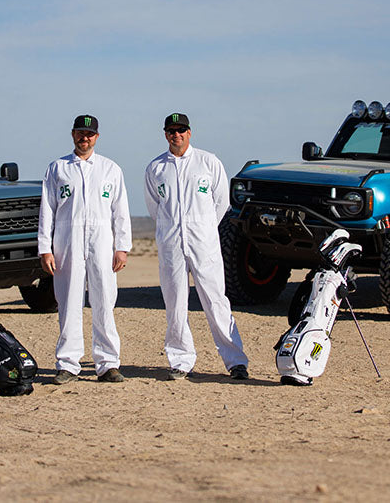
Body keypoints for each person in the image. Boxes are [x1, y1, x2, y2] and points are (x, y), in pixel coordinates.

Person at [144, 113, 249, 381]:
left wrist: (203, 228)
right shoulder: (156, 168)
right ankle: (181, 360)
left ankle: (235, 361)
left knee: (216, 301)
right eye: (171, 130)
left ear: (189, 132)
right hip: (172, 246)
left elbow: (221, 202)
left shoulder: (208, 162)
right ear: (165, 134)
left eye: (181, 130)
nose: (176, 134)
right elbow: (155, 207)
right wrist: (172, 229)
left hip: (204, 245)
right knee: (175, 303)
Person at [38, 114, 132, 384]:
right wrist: (45, 248)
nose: (84, 138)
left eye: (89, 134)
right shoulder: (57, 169)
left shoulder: (110, 169)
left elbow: (120, 211)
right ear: (72, 134)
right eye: (80, 133)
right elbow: (47, 210)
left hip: (101, 241)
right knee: (69, 301)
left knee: (104, 299)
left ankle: (108, 363)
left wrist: (122, 247)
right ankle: (68, 364)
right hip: (67, 240)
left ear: (97, 137)